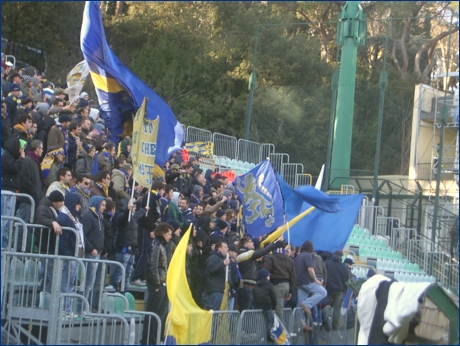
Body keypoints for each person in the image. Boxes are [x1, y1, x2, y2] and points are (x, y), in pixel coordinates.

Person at [141, 222, 173, 345]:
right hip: (157, 284)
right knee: (153, 313)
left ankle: (153, 338)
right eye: (169, 234)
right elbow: (152, 266)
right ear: (163, 233)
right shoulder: (156, 245)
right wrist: (156, 285)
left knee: (159, 313)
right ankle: (147, 339)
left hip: (161, 283)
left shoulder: (161, 245)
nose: (170, 236)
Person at [236, 236, 284, 311]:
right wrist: (275, 242)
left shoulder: (246, 255)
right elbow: (263, 251)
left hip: (249, 285)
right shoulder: (247, 254)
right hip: (247, 286)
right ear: (245, 244)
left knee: (249, 311)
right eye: (250, 242)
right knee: (246, 311)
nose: (253, 243)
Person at [111, 199, 149, 292]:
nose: (134, 208)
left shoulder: (133, 218)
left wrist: (144, 210)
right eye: (132, 206)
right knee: (121, 270)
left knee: (127, 273)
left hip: (132, 248)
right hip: (123, 247)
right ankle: (117, 289)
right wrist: (127, 210)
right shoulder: (121, 216)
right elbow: (124, 217)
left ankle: (124, 290)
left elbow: (137, 216)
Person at [294, 240, 327, 329]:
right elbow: (310, 269)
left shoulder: (298, 256)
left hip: (298, 282)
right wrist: (315, 279)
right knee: (323, 292)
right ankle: (307, 304)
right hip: (307, 282)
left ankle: (301, 324)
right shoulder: (308, 256)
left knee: (299, 304)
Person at [81, 196, 106, 310]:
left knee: (93, 283)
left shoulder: (99, 218)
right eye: (102, 205)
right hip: (90, 254)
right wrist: (91, 249)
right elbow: (83, 235)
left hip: (97, 254)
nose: (104, 208)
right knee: (88, 283)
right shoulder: (88, 217)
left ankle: (88, 306)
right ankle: (82, 308)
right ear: (96, 204)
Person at [264, 241, 296, 326]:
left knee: (278, 312)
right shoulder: (289, 260)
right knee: (280, 308)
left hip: (277, 285)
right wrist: (290, 291)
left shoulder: (271, 258)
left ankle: (282, 334)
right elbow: (293, 276)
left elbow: (266, 272)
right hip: (286, 286)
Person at [1, 137, 25, 247]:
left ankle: (4, 242)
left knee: (8, 220)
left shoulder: (9, 156)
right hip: (6, 190)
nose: (22, 151)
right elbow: (15, 169)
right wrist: (21, 159)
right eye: (21, 148)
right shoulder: (6, 157)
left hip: (10, 190)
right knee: (5, 218)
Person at [202, 241, 230, 311]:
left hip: (219, 290)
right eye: (225, 247)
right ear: (219, 249)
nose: (227, 249)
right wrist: (223, 264)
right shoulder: (213, 258)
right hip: (215, 290)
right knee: (214, 313)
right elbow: (212, 269)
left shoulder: (221, 259)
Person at [253, 268, 277, 342]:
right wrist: (274, 307)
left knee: (259, 322)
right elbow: (274, 296)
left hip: (258, 307)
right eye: (268, 276)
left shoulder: (256, 285)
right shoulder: (269, 285)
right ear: (265, 277)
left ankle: (259, 338)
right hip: (267, 306)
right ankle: (268, 335)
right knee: (270, 320)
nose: (269, 277)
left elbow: (254, 296)